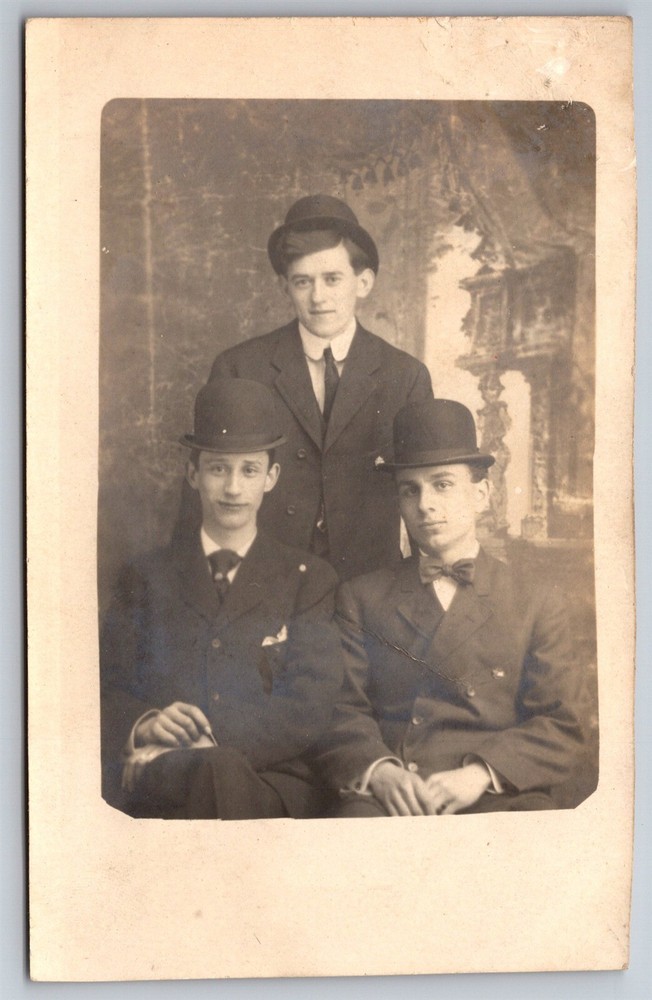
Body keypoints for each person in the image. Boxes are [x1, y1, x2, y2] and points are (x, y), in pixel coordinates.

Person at [316, 398, 586, 816]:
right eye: (410, 490)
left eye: (442, 484)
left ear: (482, 494)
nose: (424, 504)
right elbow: (340, 709)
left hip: (495, 792)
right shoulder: (362, 597)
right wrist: (381, 771)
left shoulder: (535, 600)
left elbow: (560, 723)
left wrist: (480, 774)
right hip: (394, 795)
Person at [100, 378, 344, 820]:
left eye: (249, 470)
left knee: (219, 772)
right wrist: (147, 724)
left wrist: (208, 743)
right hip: (164, 775)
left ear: (271, 477)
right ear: (193, 474)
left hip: (269, 783)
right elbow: (106, 688)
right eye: (218, 469)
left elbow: (309, 706)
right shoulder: (145, 577)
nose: (233, 487)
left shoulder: (310, 581)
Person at [196, 194, 434, 580]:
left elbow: (425, 493)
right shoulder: (240, 367)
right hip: (265, 583)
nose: (318, 297)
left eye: (332, 279)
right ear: (284, 286)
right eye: (302, 281)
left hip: (372, 588)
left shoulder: (405, 376)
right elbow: (204, 495)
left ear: (364, 281)